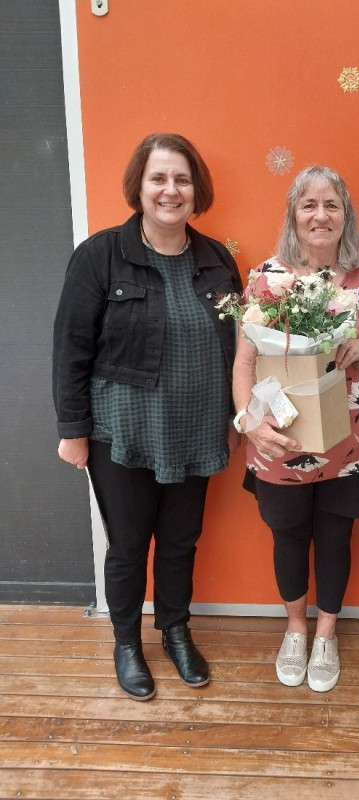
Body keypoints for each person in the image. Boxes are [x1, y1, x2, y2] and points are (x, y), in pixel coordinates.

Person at [53, 133, 242, 701]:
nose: (170, 190)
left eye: (182, 179)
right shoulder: (100, 254)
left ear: (196, 190)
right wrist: (72, 430)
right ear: (140, 185)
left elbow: (241, 349)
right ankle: (127, 642)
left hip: (196, 427)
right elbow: (70, 346)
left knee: (182, 540)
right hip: (122, 432)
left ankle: (175, 630)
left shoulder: (217, 261)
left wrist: (241, 418)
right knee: (130, 544)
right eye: (159, 178)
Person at [232, 166, 359, 692]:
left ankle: (326, 632)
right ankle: (296, 629)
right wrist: (249, 423)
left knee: (335, 538)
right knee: (287, 538)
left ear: (344, 214)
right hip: (281, 444)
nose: (320, 215)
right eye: (309, 204)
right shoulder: (266, 278)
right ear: (293, 215)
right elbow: (244, 364)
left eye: (331, 205)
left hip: (352, 445)